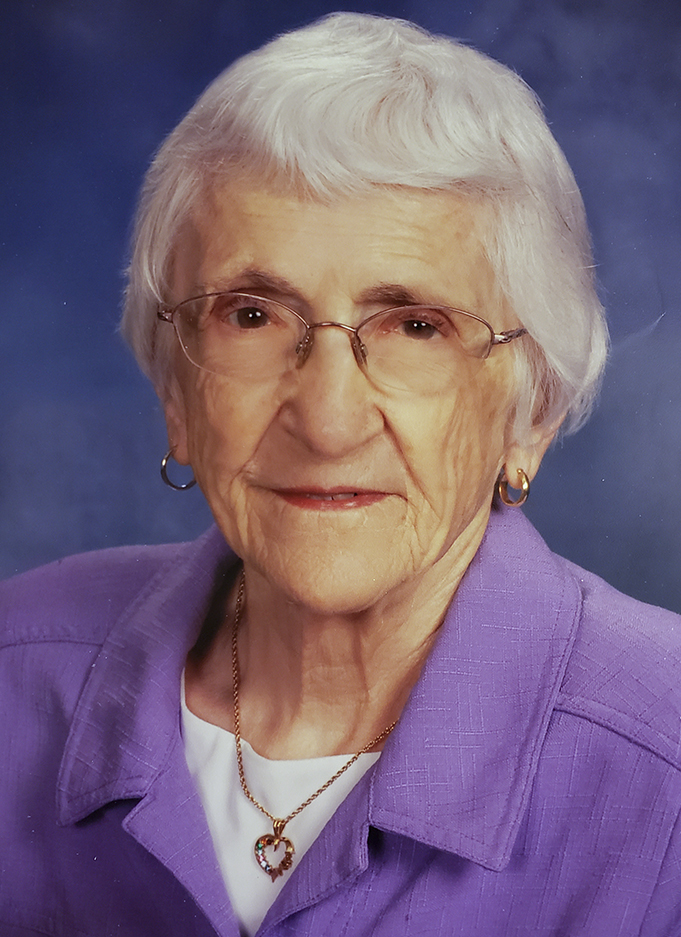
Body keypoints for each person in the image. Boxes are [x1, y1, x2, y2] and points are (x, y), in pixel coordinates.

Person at [1, 12, 680, 937]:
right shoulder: (14, 670)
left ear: (531, 414)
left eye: (415, 326)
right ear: (176, 393)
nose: (326, 420)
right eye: (251, 315)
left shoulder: (661, 763)